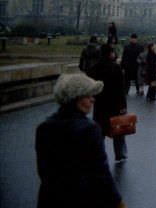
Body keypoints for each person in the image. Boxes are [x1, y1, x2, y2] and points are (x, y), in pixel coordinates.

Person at [35, 73, 125, 208]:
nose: (92, 100)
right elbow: (100, 173)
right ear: (75, 98)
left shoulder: (44, 128)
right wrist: (118, 202)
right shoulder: (89, 129)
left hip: (50, 199)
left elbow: (44, 172)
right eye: (87, 96)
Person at [88, 45, 128, 162]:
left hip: (100, 104)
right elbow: (121, 89)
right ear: (110, 54)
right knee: (118, 130)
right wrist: (123, 106)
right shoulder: (115, 68)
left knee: (100, 130)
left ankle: (98, 153)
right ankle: (120, 153)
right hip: (115, 103)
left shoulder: (94, 68)